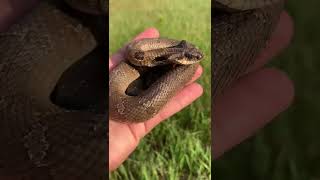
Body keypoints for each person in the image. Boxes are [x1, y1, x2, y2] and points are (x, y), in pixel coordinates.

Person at [109, 11, 294, 171]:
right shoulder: (140, 54)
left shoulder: (161, 55)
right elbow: (138, 52)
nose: (197, 57)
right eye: (190, 57)